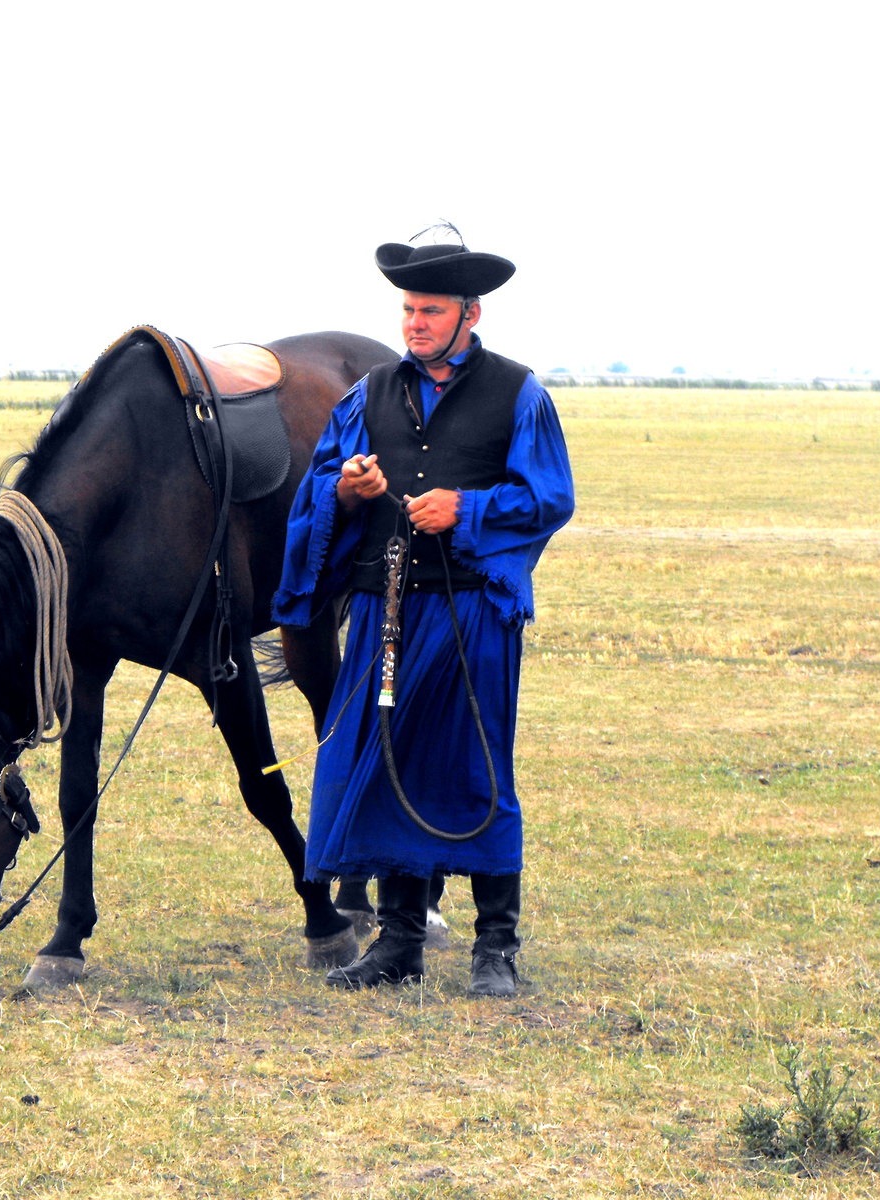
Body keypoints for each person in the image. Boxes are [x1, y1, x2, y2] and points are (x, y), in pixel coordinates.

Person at [272, 233, 575, 995]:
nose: (414, 322)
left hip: (473, 614)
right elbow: (319, 492)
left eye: (430, 310)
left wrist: (466, 509)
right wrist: (350, 490)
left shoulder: (519, 393)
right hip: (387, 615)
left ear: (469, 314)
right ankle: (399, 943)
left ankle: (495, 949)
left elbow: (550, 497)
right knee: (383, 768)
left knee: (476, 770)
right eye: (408, 309)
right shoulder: (369, 394)